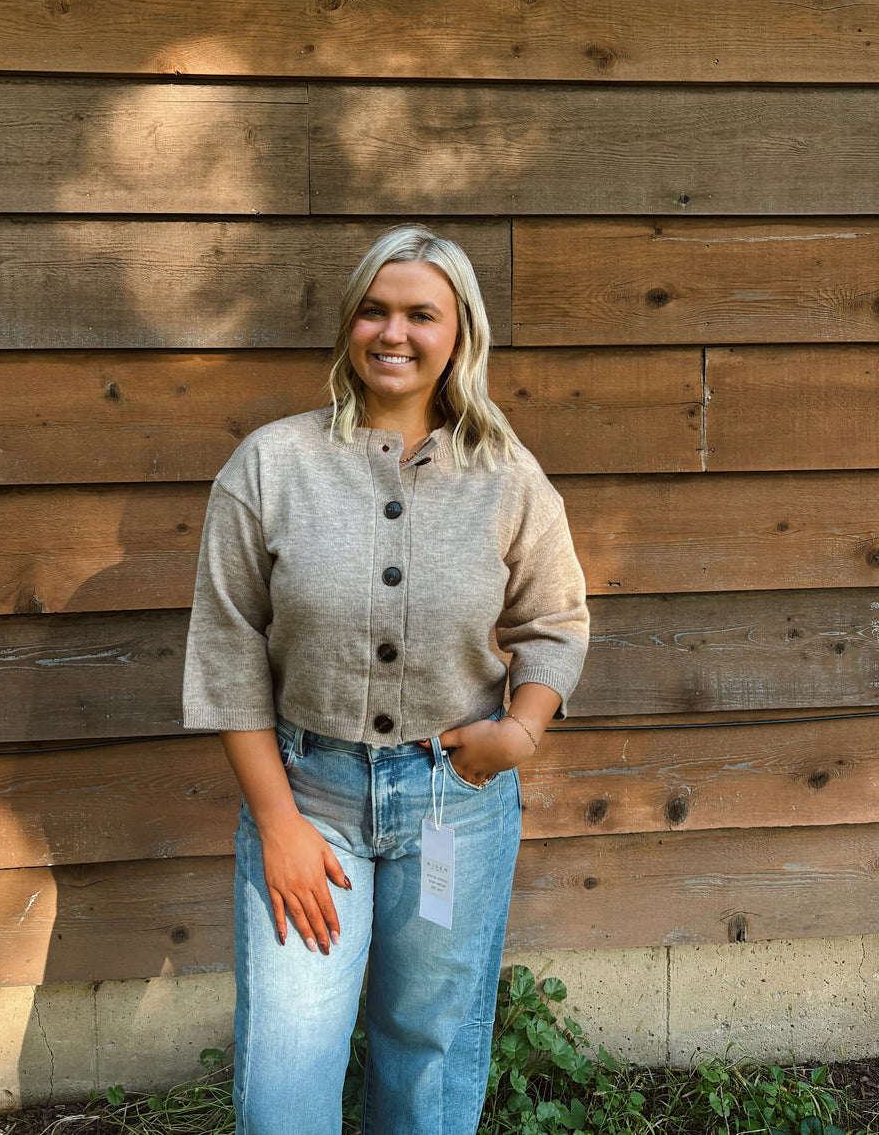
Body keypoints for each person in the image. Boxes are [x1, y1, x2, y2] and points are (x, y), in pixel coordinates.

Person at [183, 225, 589, 1135]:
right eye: (375, 308)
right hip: (309, 802)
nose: (393, 332)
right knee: (287, 1068)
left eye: (421, 313)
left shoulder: (507, 478)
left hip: (456, 806)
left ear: (460, 335)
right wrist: (278, 822)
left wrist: (520, 732)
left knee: (431, 1053)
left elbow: (556, 622)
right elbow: (227, 648)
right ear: (349, 324)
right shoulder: (272, 465)